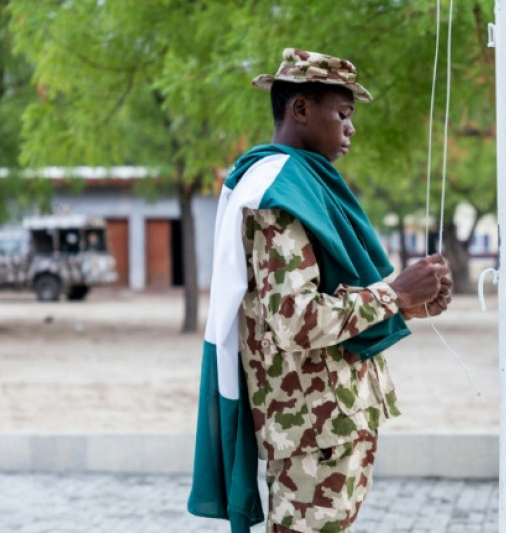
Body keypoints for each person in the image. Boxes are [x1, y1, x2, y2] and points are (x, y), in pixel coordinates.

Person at [188, 48, 452, 533]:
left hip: (331, 419)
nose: (350, 127)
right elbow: (295, 319)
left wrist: (411, 301)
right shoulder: (277, 195)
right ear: (301, 109)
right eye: (342, 113)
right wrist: (394, 294)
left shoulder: (306, 185)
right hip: (310, 427)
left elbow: (328, 293)